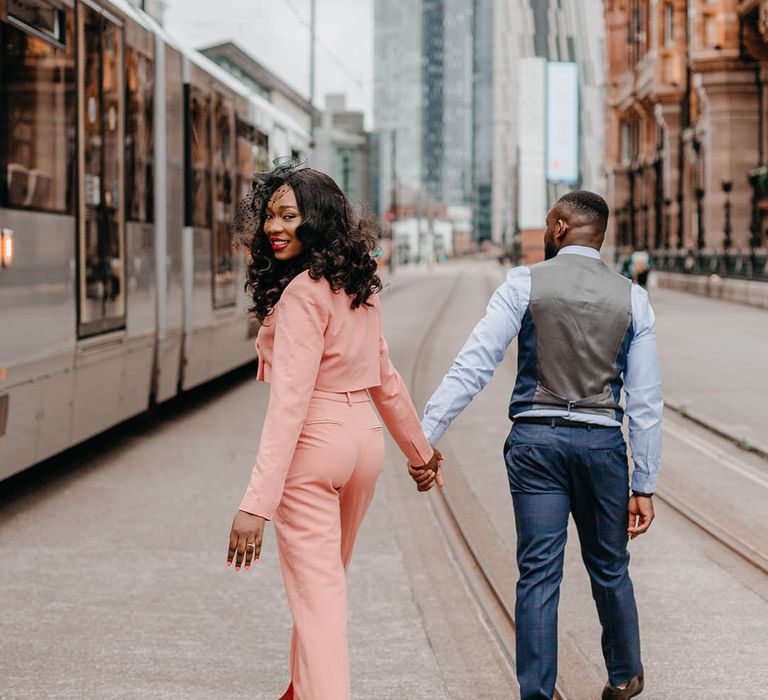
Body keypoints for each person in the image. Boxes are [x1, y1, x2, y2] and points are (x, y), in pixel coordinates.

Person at [413, 191, 662, 700]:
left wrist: (423, 439)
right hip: (600, 446)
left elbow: (475, 363)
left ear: (559, 228)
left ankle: (536, 693)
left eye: (550, 223)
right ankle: (624, 676)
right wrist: (645, 482)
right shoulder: (632, 297)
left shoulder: (524, 283)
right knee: (610, 564)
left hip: (536, 444)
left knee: (539, 572)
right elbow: (646, 400)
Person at [226, 163, 443, 700]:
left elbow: (289, 404)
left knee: (319, 600)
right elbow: (384, 378)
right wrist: (419, 452)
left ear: (317, 221)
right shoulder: (356, 286)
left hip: (315, 447)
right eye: (269, 216)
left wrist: (257, 503)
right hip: (362, 446)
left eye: (289, 216)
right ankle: (301, 690)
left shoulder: (301, 293)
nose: (273, 228)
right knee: (321, 589)